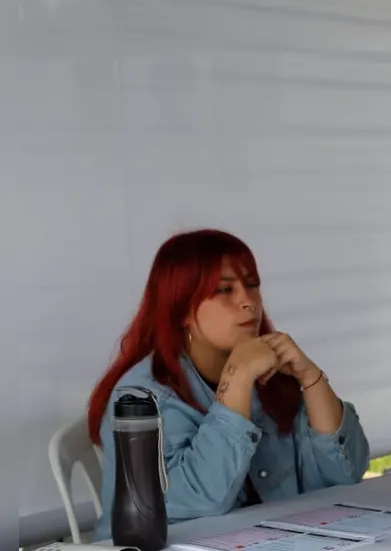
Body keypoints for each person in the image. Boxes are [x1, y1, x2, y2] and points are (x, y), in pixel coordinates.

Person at [87, 229, 370, 540]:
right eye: (225, 290)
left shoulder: (275, 377)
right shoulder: (142, 398)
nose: (248, 302)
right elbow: (198, 500)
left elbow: (346, 474)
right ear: (181, 309)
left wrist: (310, 377)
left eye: (252, 286)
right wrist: (238, 378)